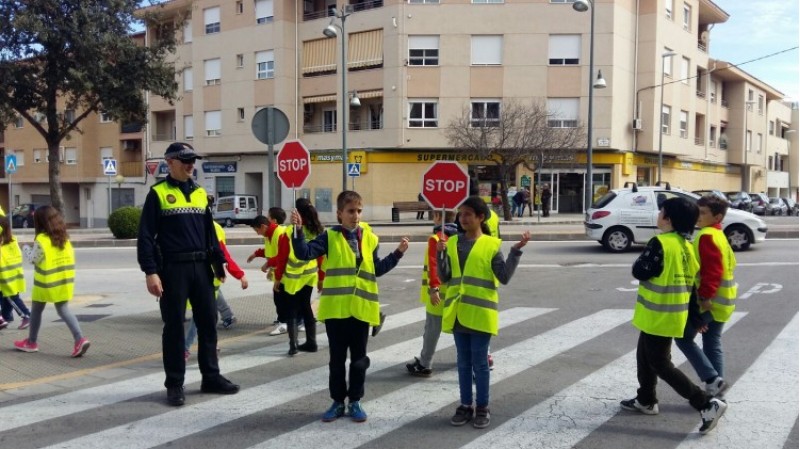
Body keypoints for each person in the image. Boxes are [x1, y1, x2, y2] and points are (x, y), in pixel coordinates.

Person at [290, 190, 409, 423]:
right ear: (339, 214)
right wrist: (298, 230)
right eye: (351, 211)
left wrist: (397, 254)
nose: (356, 215)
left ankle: (355, 400)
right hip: (336, 311)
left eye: (359, 211)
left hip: (361, 310)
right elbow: (304, 253)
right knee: (336, 361)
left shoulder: (370, 238)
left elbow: (376, 269)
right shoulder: (329, 237)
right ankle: (337, 402)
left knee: (358, 360)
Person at [137, 142, 239, 407]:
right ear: (169, 162)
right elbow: (146, 237)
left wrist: (218, 263)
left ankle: (211, 377)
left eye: (193, 160)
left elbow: (209, 233)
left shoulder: (199, 193)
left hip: (201, 267)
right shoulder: (157, 193)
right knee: (174, 327)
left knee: (208, 321)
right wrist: (151, 272)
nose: (191, 165)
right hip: (172, 269)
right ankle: (174, 384)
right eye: (185, 160)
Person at [620, 197, 727, 435]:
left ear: (668, 219)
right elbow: (691, 288)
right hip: (670, 315)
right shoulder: (687, 247)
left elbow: (640, 271)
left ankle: (705, 403)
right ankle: (646, 399)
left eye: (661, 211)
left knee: (659, 363)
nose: (658, 214)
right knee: (644, 356)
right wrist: (696, 318)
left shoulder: (660, 243)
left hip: (658, 316)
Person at [438, 196, 530, 429]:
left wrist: (515, 252)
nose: (463, 218)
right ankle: (465, 405)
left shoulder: (490, 244)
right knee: (462, 363)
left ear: (481, 217)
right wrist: (440, 254)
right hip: (458, 312)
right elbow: (445, 277)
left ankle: (482, 407)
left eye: (468, 214)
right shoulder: (451, 242)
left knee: (480, 364)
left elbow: (504, 277)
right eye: (461, 214)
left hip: (480, 313)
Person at [674, 195, 737, 397]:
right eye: (697, 211)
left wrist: (705, 297)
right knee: (712, 342)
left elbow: (712, 271)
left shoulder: (707, 236)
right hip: (723, 300)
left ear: (717, 217)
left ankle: (712, 378)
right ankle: (716, 390)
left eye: (703, 213)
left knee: (684, 339)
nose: (698, 216)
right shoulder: (718, 234)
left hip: (710, 302)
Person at [13, 206, 90, 358]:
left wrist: (26, 248)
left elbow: (34, 260)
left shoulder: (42, 240)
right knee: (63, 310)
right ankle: (79, 339)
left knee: (36, 311)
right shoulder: (64, 238)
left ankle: (31, 342)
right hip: (64, 282)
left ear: (40, 223)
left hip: (45, 284)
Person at [184, 220, 249, 361]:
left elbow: (222, 254)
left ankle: (205, 345)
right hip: (203, 280)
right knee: (202, 317)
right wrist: (240, 275)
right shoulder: (212, 226)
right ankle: (188, 348)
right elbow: (223, 255)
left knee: (206, 316)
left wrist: (239, 275)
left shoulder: (197, 224)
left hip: (204, 280)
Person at [406, 210, 458, 377]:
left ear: (437, 218)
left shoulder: (436, 239)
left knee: (432, 330)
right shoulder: (458, 238)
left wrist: (434, 288)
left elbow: (434, 264)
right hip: (454, 294)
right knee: (459, 329)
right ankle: (467, 360)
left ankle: (424, 363)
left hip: (438, 296)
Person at [271, 198, 325, 355]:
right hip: (310, 276)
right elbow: (322, 258)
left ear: (297, 213)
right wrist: (321, 278)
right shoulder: (317, 230)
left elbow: (282, 257)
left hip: (292, 277)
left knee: (292, 310)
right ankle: (311, 342)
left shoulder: (290, 231)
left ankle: (293, 346)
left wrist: (277, 278)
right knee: (306, 307)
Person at [247, 209, 293, 336]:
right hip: (278, 271)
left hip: (285, 271)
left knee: (281, 298)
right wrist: (256, 254)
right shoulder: (269, 234)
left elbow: (282, 255)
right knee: (280, 297)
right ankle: (284, 320)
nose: (257, 234)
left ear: (263, 226)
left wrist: (268, 263)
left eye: (257, 230)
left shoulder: (279, 233)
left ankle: (284, 323)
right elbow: (269, 251)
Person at [0, 216, 32, 329]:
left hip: (4, 278)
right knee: (8, 298)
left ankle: (26, 315)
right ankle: (5, 317)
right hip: (15, 274)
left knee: (11, 298)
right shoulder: (13, 239)